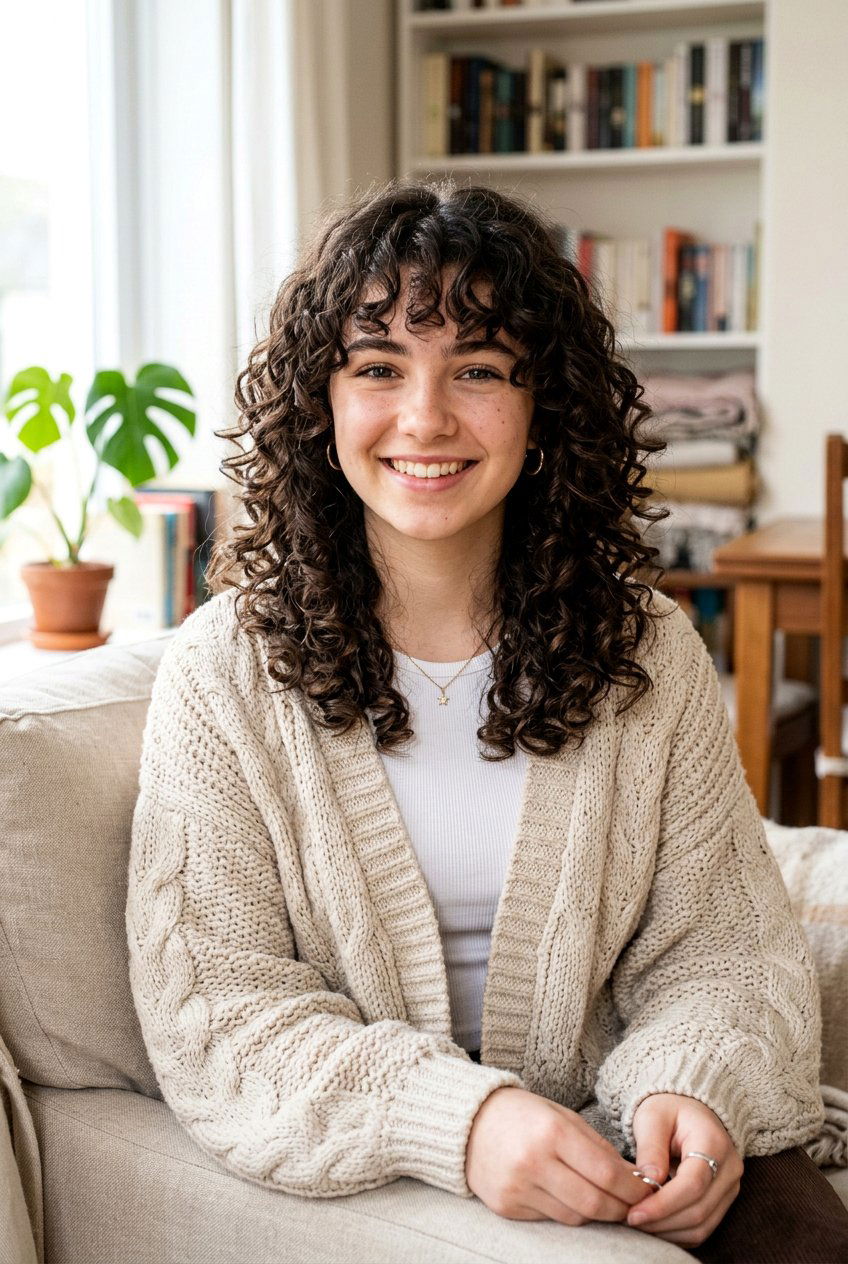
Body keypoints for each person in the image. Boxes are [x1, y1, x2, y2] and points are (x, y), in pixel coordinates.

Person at [126, 178, 848, 1263]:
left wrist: (690, 1086)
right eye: (378, 368)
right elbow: (219, 1009)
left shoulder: (644, 652)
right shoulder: (221, 675)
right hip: (384, 1166)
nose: (424, 417)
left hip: (627, 1150)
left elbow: (724, 950)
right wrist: (459, 1122)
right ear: (320, 406)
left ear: (541, 407)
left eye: (476, 369)